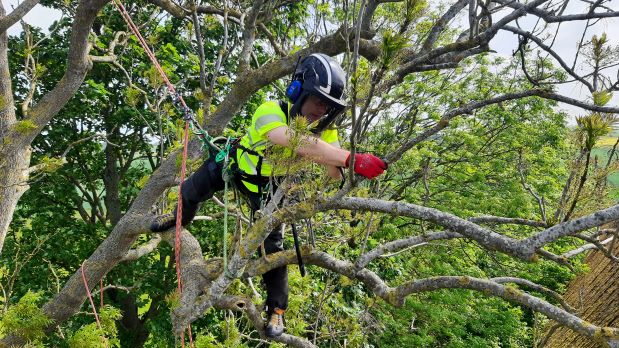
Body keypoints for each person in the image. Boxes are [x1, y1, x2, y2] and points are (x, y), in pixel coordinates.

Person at [150, 53, 387, 338]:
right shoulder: (270, 110)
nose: (321, 109)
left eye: (328, 106)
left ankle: (276, 310)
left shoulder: (324, 132)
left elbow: (333, 175)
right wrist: (349, 157)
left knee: (272, 247)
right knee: (189, 191)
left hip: (268, 186)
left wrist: (340, 160)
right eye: (317, 100)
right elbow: (286, 137)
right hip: (236, 165)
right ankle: (179, 219)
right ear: (298, 91)